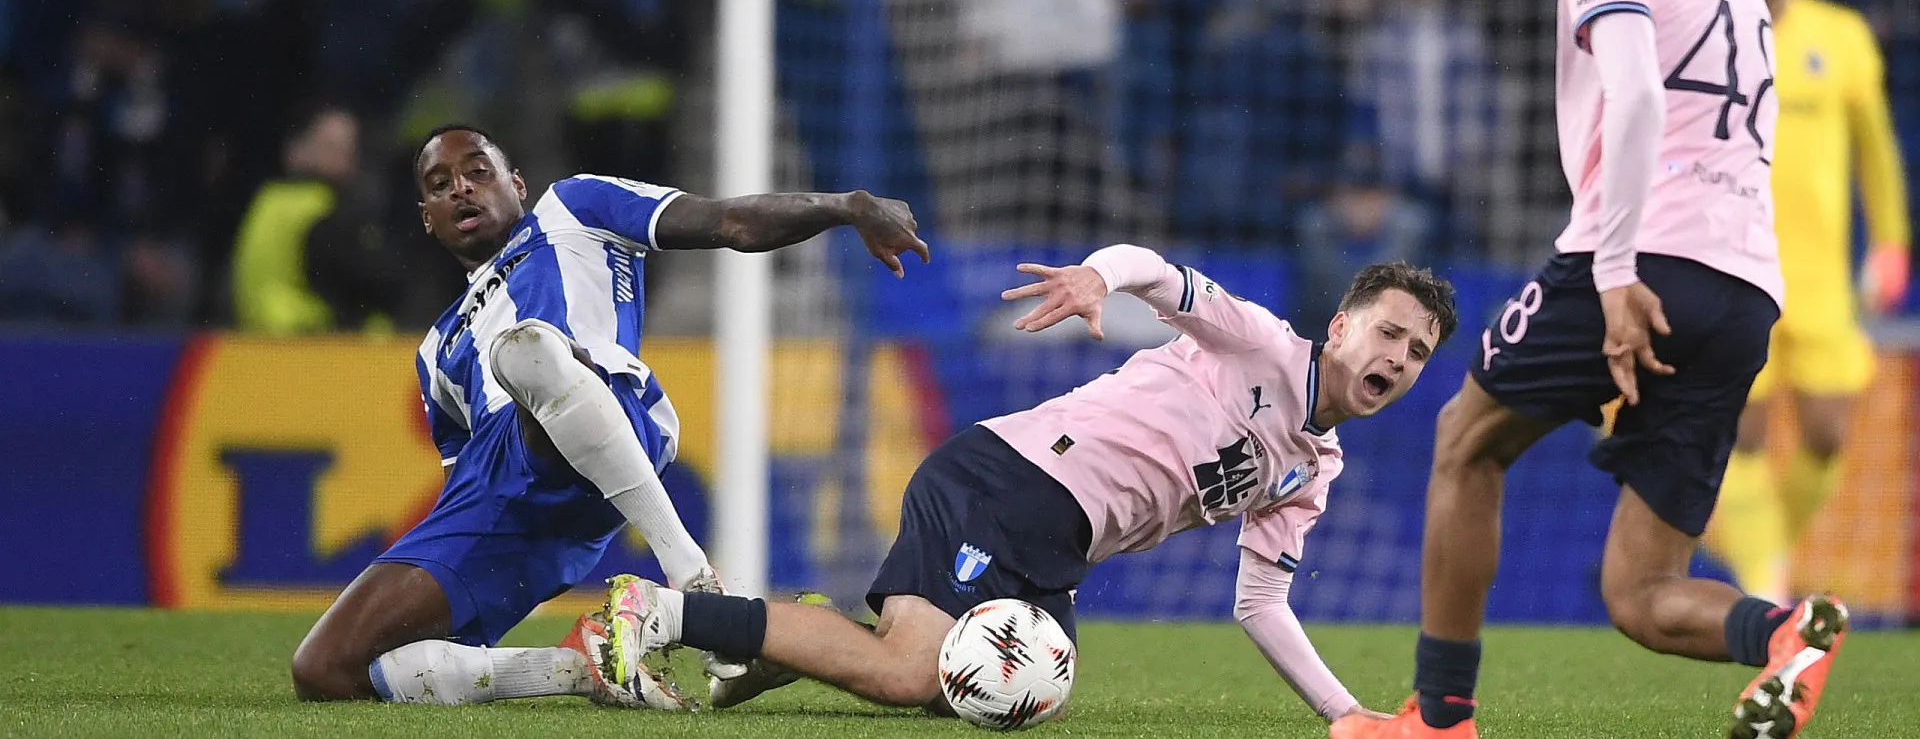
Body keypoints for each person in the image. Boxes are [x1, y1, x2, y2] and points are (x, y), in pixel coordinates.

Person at [1331, 0, 1842, 739]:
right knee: (1643, 593)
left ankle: (1437, 721)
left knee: (1466, 443)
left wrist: (1614, 271)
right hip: (1746, 284)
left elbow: (1639, 97)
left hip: (1646, 250)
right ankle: (1784, 630)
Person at [600, 249, 1459, 727]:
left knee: (991, 696)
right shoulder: (1262, 345)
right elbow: (1159, 273)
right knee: (912, 676)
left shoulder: (1315, 470)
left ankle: (802, 632)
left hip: (1059, 546)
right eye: (1387, 333)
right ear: (1342, 326)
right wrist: (1098, 276)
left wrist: (1347, 716)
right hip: (1009, 482)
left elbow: (1261, 603)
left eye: (1417, 353)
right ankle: (663, 613)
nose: (1396, 359)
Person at [288, 124, 930, 709]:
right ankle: (583, 664)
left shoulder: (574, 208)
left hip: (606, 411)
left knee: (528, 349)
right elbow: (464, 485)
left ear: (516, 183)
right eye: (439, 185)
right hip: (507, 498)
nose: (461, 188)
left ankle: (698, 588)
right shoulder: (437, 351)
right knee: (324, 669)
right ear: (427, 219)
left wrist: (845, 207)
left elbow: (730, 221)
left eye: (478, 171)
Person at [1710, 0, 1910, 602]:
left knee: (1827, 433)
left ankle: (1770, 551)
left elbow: (1876, 150)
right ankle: (1768, 589)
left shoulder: (1843, 35)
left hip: (1821, 277)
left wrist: (1891, 243)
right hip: (1735, 269)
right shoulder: (1709, 35)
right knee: (1746, 437)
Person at [230, 106, 404, 335]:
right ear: (298, 147)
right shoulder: (320, 210)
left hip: (258, 335)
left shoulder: (268, 199)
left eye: (350, 146)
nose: (345, 155)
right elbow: (358, 281)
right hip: (308, 339)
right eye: (332, 146)